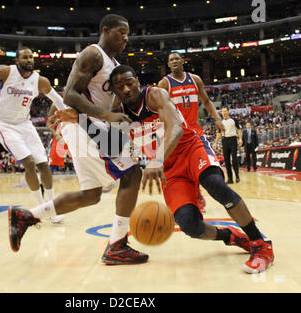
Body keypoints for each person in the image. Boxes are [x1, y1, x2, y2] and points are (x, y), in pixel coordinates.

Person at [8, 14, 149, 265]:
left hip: (85, 124)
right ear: (105, 30)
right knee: (133, 173)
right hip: (85, 124)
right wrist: (106, 115)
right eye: (121, 32)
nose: (126, 38)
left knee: (91, 195)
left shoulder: (112, 62)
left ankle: (27, 216)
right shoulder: (93, 54)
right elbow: (70, 94)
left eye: (128, 33)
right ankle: (117, 245)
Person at [109, 65, 274, 274]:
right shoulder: (117, 115)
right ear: (114, 91)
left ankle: (261, 244)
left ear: (137, 82)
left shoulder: (154, 95)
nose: (125, 89)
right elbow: (99, 133)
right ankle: (231, 236)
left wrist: (156, 160)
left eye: (129, 82)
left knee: (215, 185)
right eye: (119, 86)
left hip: (190, 148)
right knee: (189, 225)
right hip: (169, 170)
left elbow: (176, 128)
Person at [0, 46, 65, 224]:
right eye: (25, 57)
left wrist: (67, 114)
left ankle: (50, 207)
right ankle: (40, 209)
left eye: (31, 57)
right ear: (17, 60)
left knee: (44, 165)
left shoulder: (40, 80)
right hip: (5, 124)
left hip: (25, 123)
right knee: (29, 162)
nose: (29, 60)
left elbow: (57, 99)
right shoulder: (5, 71)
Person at [158, 52, 225, 211]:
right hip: (175, 133)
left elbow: (207, 101)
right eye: (171, 60)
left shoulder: (195, 80)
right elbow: (159, 110)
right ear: (168, 64)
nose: (174, 61)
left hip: (194, 130)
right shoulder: (164, 84)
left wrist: (217, 118)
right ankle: (178, 202)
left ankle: (197, 193)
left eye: (176, 58)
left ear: (183, 61)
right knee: (174, 170)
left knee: (203, 163)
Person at [213, 107, 242, 184]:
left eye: (225, 111)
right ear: (221, 113)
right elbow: (219, 133)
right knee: (227, 160)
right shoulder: (220, 122)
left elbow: (239, 130)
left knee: (234, 159)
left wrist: (240, 139)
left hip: (233, 139)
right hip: (224, 140)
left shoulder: (234, 120)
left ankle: (237, 176)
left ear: (228, 112)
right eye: (223, 111)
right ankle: (230, 179)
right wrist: (215, 142)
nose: (224, 112)